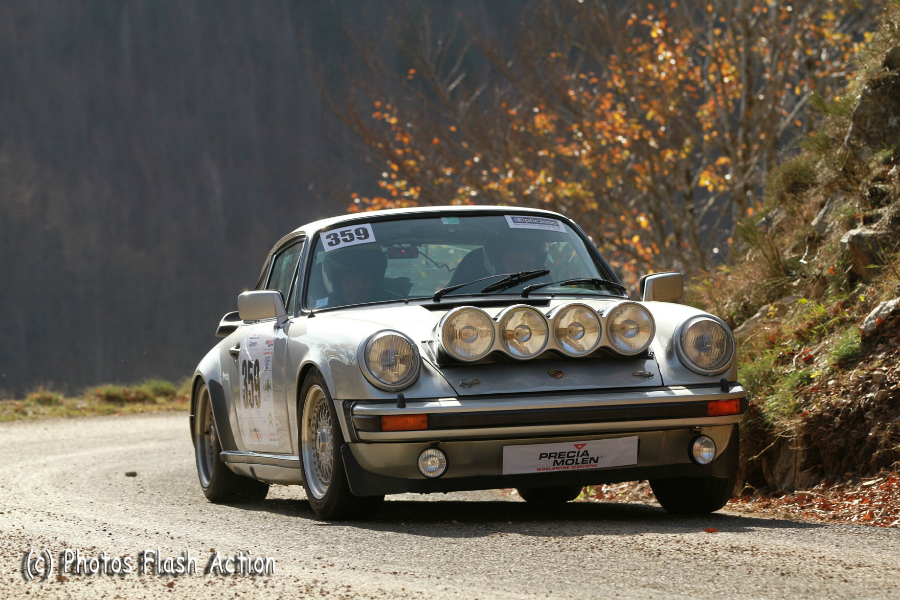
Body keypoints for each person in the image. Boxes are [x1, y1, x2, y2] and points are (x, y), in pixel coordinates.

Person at [322, 245, 389, 306]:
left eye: (365, 281)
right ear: (337, 282)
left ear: (374, 282)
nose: (360, 287)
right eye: (352, 280)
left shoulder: (393, 305)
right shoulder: (319, 314)